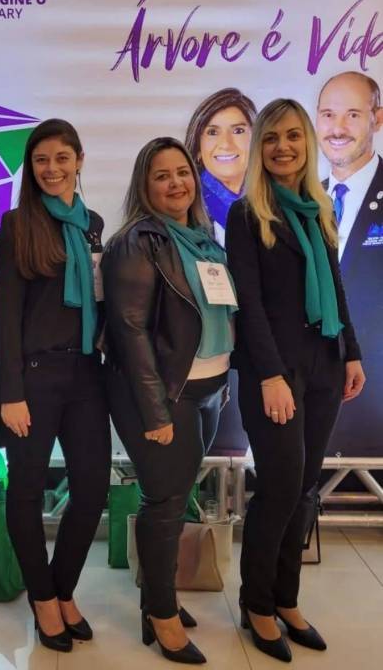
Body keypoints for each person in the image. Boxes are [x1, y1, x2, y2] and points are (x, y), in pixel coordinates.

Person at [226, 99, 366, 662]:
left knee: (305, 488)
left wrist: (351, 353)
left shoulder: (317, 208)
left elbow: (335, 286)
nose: (282, 147)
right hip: (276, 373)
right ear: (259, 148)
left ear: (306, 143)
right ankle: (256, 603)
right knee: (280, 488)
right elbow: (249, 303)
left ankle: (286, 598)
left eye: (292, 136)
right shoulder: (246, 214)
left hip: (324, 364)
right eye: (271, 138)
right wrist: (270, 375)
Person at [103, 136, 235, 665]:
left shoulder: (204, 239)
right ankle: (161, 616)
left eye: (183, 172)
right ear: (145, 185)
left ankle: (155, 600)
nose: (176, 183)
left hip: (207, 388)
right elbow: (130, 331)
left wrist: (221, 384)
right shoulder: (136, 242)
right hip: (164, 394)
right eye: (162, 175)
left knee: (176, 498)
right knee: (164, 502)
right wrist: (155, 411)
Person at [0, 118, 110, 653]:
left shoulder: (93, 224)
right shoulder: (18, 223)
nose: (52, 168)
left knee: (92, 488)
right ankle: (42, 597)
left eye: (62, 157)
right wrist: (10, 391)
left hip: (87, 372)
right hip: (35, 377)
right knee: (25, 490)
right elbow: (7, 314)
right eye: (41, 160)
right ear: (31, 167)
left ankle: (62, 589)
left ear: (79, 160)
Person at [316, 72, 383, 456]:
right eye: (328, 115)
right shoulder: (303, 202)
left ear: (377, 119)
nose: (337, 128)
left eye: (353, 115)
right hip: (315, 402)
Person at [185, 88, 257, 246]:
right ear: (198, 149)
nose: (226, 144)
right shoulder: (183, 208)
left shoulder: (276, 203)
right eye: (212, 132)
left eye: (238, 131)